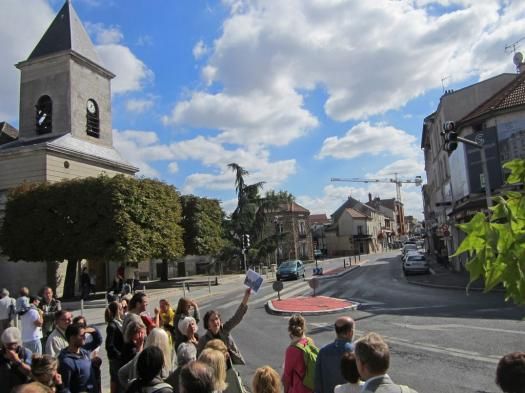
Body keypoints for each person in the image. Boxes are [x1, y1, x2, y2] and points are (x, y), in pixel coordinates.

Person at [197, 289, 251, 365]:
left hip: (229, 366)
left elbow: (237, 317)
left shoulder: (225, 329)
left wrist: (246, 296)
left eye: (216, 319)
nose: (215, 322)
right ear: (207, 324)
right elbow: (200, 360)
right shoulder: (203, 340)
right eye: (212, 320)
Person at [314, 316, 354, 393]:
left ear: (336, 331)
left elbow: (317, 379)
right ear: (350, 332)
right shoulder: (356, 351)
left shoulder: (323, 351)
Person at [57, 323, 98, 393]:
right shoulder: (66, 362)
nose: (85, 338)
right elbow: (65, 388)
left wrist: (92, 329)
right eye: (82, 336)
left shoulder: (84, 352)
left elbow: (98, 340)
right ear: (72, 338)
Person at [283, 314, 315, 393]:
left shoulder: (292, 350)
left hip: (298, 389)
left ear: (290, 330)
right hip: (311, 388)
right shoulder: (309, 341)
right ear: (303, 327)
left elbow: (287, 377)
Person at [0, 327, 32, 392]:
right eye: (8, 346)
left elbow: (31, 373)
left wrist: (17, 361)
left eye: (13, 345)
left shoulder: (25, 353)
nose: (11, 348)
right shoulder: (1, 354)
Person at [105, 301, 124, 393]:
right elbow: (109, 345)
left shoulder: (119, 322)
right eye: (120, 309)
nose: (122, 310)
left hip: (119, 358)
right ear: (117, 311)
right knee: (118, 380)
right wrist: (119, 355)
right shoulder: (112, 326)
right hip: (116, 360)